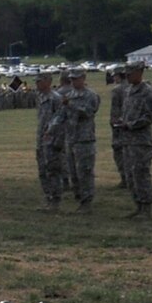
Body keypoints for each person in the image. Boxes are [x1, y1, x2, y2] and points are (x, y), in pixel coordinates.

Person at [114, 62, 152, 217]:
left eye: (130, 72)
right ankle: (138, 206)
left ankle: (146, 208)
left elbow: (150, 116)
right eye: (126, 73)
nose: (127, 75)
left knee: (141, 174)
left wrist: (130, 125)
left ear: (140, 72)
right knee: (130, 175)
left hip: (141, 141)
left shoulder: (148, 92)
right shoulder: (128, 90)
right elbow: (127, 112)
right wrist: (121, 121)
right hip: (127, 140)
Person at [61, 67, 101, 211]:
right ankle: (79, 197)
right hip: (71, 138)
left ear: (83, 79)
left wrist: (70, 105)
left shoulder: (90, 95)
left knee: (84, 171)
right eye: (71, 79)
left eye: (76, 79)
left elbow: (88, 112)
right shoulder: (70, 95)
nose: (73, 81)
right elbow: (63, 115)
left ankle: (87, 201)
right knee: (73, 172)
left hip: (84, 139)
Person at [33, 72, 69, 210]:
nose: (37, 84)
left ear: (48, 82)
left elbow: (61, 120)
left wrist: (56, 140)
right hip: (41, 139)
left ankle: (55, 200)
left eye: (39, 81)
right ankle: (48, 198)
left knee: (53, 170)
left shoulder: (56, 98)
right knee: (43, 171)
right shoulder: (41, 97)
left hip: (52, 140)